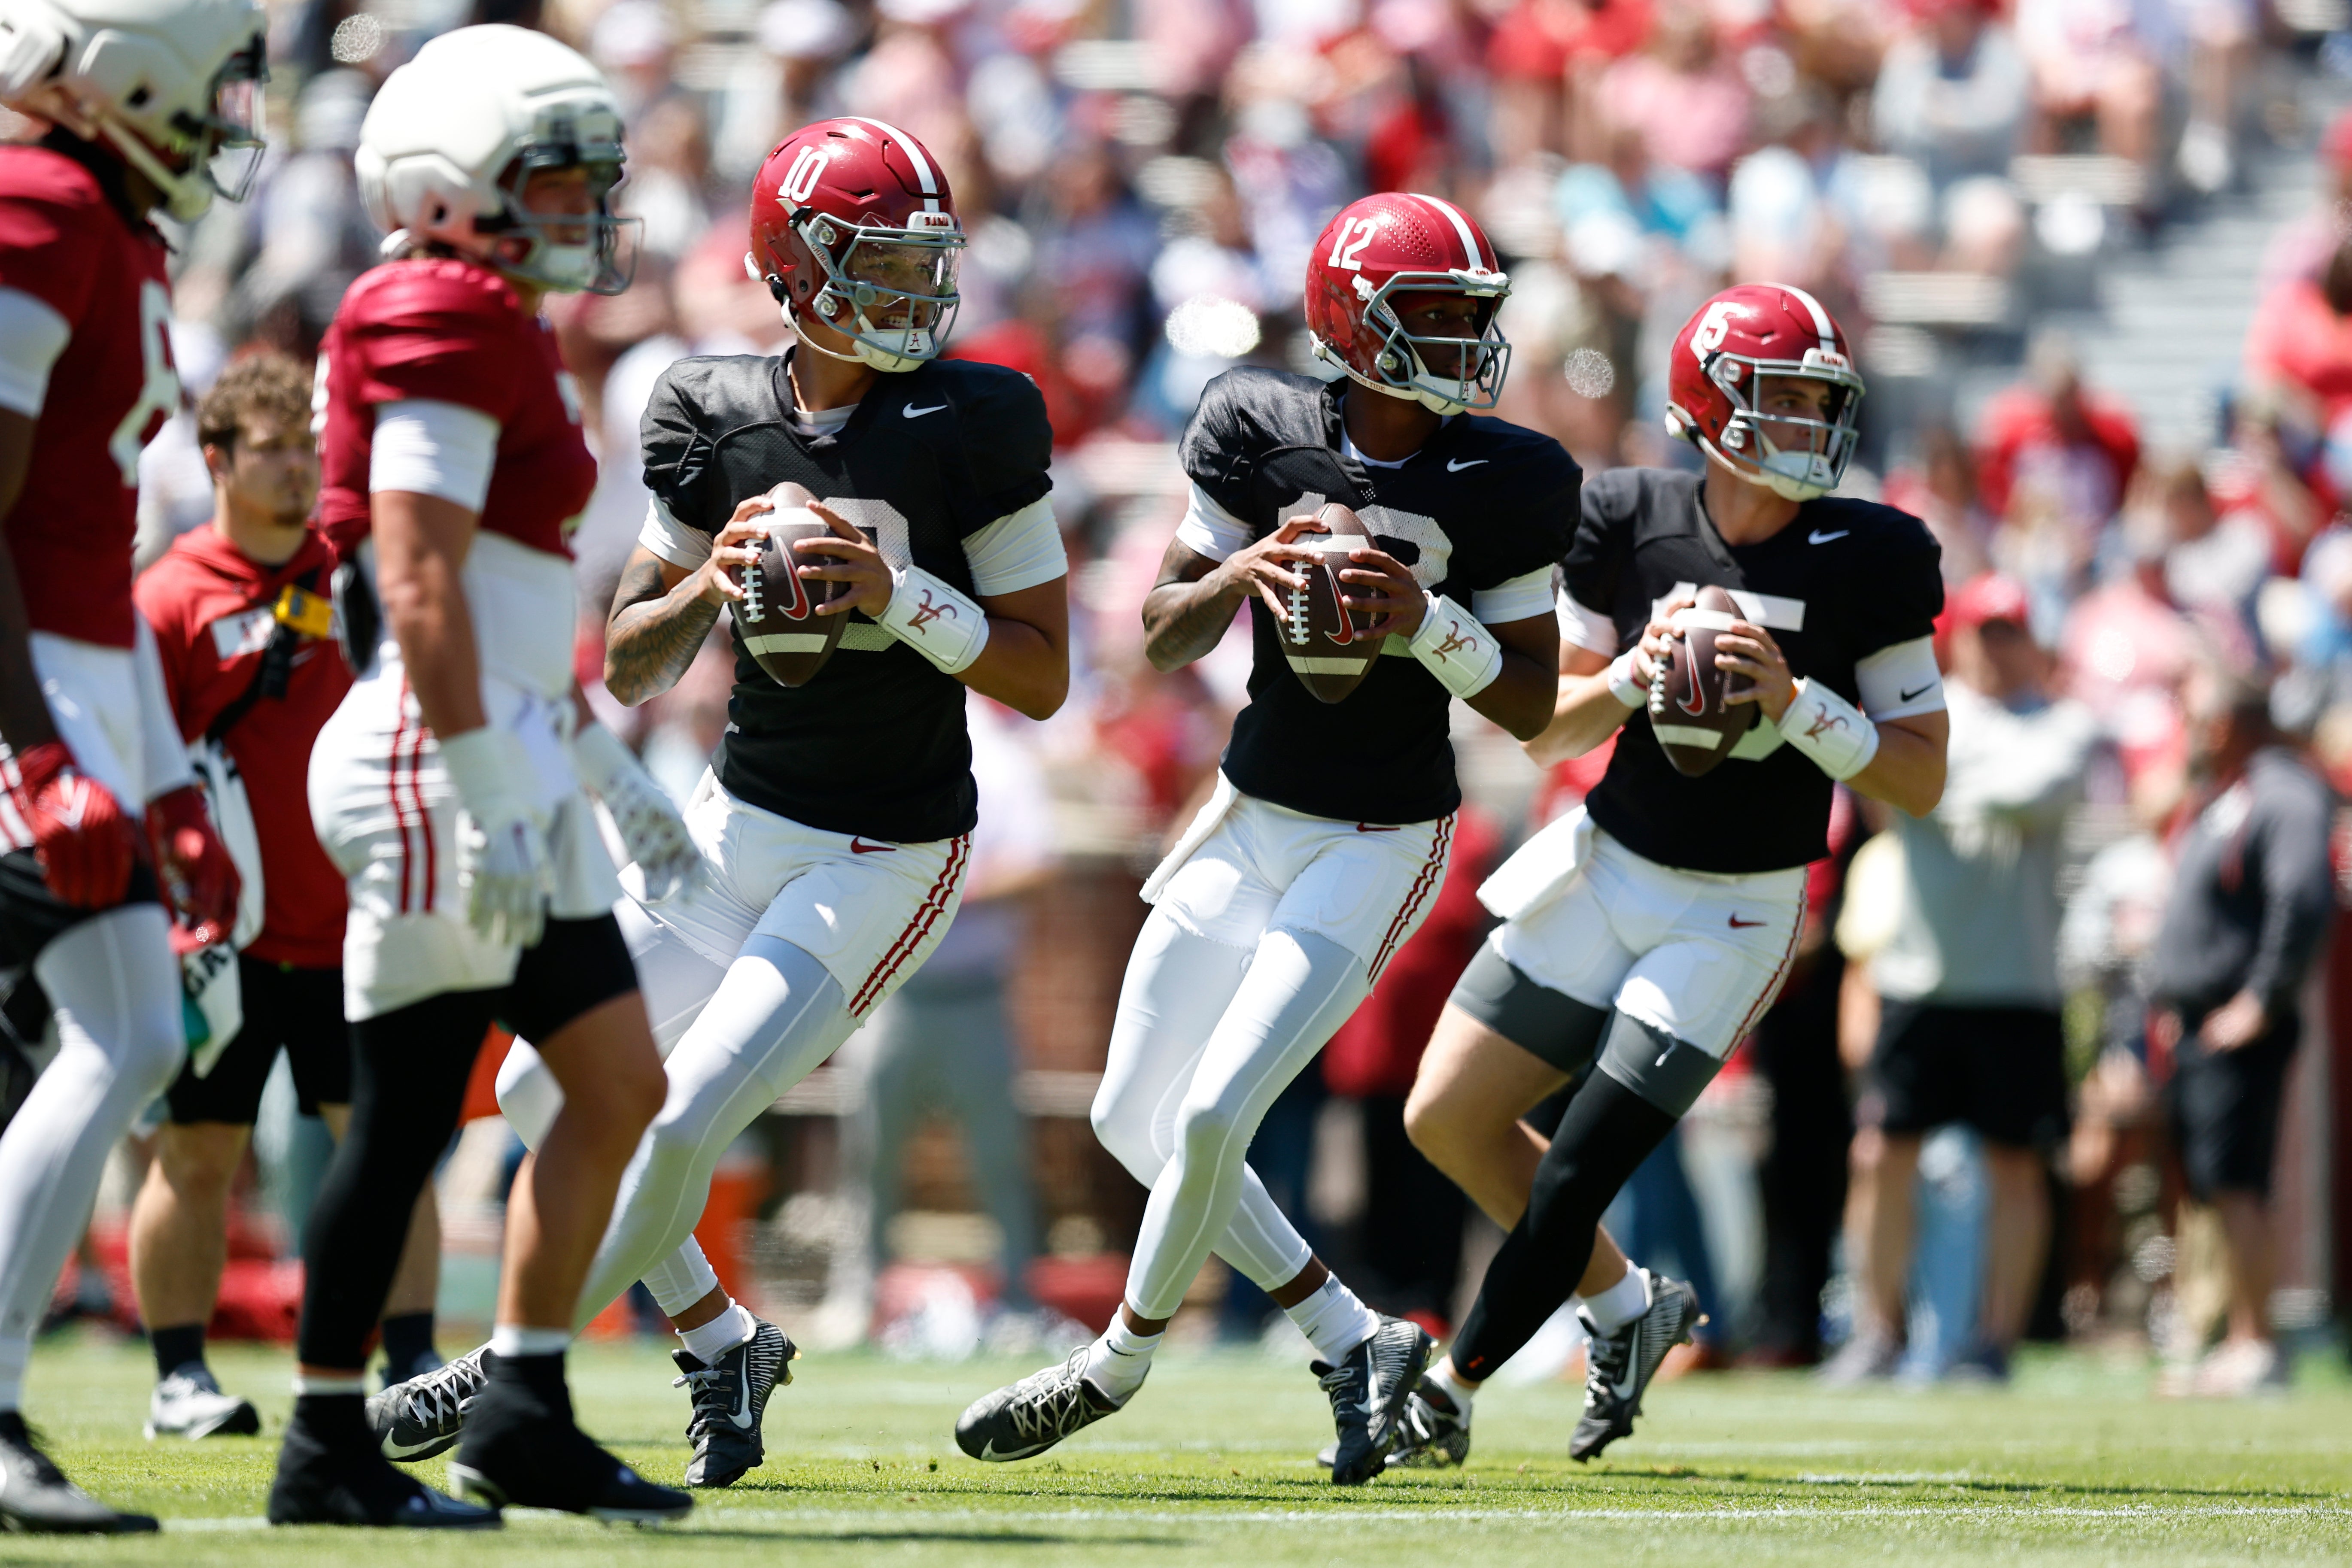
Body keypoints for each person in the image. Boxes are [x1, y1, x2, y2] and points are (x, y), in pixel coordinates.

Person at [371, 115, 1069, 1490]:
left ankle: (516, 1368)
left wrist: (896, 594)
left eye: (926, 260)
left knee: (680, 1115)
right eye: (878, 262)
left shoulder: (976, 417)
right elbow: (629, 655)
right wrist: (711, 578)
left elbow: (1041, 674)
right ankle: (720, 1340)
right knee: (531, 1082)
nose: (914, 291)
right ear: (790, 268)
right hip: (733, 817)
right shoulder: (708, 404)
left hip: (884, 848)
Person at [956, 191, 1567, 1484]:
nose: (1465, 337)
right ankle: (1354, 1339)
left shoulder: (1508, 475)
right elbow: (1155, 632)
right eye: (1434, 312)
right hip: (1246, 810)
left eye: (1473, 314)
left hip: (1379, 830)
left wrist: (1420, 618)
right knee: (1138, 1116)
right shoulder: (1255, 421)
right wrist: (1241, 574)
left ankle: (1113, 1360)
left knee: (1216, 1109)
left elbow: (1526, 702)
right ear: (1352, 323)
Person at [1391, 284, 1950, 1468]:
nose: (1807, 420)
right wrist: (1638, 670)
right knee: (1443, 1115)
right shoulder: (1624, 516)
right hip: (1604, 863)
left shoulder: (1873, 552)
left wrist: (1794, 703)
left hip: (1735, 906)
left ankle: (1448, 1385)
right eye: (1781, 396)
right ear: (1709, 404)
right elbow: (1546, 729)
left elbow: (1917, 779)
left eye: (1818, 398)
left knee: (1580, 1162)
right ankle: (1630, 1305)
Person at [269, 25, 701, 1528]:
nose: (586, 205)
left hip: (500, 738)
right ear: (455, 188)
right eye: (555, 177)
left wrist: (587, 756)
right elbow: (418, 577)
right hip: (440, 755)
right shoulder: (437, 308)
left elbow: (502, 603)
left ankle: (517, 1402)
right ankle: (331, 1442)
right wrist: (491, 775)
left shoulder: (490, 311)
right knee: (405, 1118)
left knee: (614, 1081)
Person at [0, 0, 258, 1530]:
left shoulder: (100, 217)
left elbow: (93, 554)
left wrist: (162, 775)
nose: (227, 115)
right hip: (33, 697)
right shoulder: (34, 205)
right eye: (214, 83)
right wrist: (41, 746)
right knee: (125, 1034)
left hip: (80, 685)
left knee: (133, 1032)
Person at [129, 353, 443, 1442]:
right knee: (199, 1149)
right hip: (227, 939)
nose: (298, 468)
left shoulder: (357, 571)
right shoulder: (168, 599)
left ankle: (415, 1364)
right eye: (270, 447)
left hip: (360, 921)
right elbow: (136, 767)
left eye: (309, 447)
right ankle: (179, 1376)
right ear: (214, 458)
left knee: (389, 1144)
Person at [1822, 573, 2096, 1385]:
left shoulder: (2064, 725)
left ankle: (1993, 1339)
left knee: (2015, 1164)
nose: (1995, 645)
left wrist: (1925, 783)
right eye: (1983, 629)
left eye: (2009, 629)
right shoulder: (1935, 717)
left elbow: (2033, 791)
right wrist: (1913, 779)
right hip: (1919, 975)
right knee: (1881, 1154)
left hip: (2018, 983)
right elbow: (1884, 785)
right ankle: (1877, 1331)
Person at [2148, 667, 2333, 1396]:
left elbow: (2304, 898)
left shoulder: (2280, 792)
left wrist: (2259, 999)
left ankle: (2256, 1344)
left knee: (2238, 1185)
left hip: (2239, 1026)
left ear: (2226, 722)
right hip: (2203, 1023)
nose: (2188, 728)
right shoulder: (2226, 794)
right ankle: (2239, 1337)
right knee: (2219, 1187)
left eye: (2195, 714)